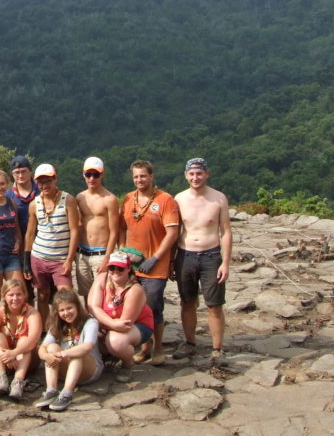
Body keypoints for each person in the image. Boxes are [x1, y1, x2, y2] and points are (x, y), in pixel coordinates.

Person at [118, 159, 180, 357]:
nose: (139, 180)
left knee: (153, 306)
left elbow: (172, 233)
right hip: (132, 265)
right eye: (136, 176)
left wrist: (156, 257)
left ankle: (158, 347)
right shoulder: (128, 199)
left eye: (143, 175)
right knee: (135, 306)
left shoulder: (165, 200)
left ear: (152, 176)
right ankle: (144, 347)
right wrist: (122, 251)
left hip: (156, 266)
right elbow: (121, 228)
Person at [173, 157, 232, 364]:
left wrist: (225, 262)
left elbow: (225, 231)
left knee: (214, 305)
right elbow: (174, 231)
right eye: (191, 174)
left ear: (207, 174)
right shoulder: (179, 199)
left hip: (211, 254)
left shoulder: (218, 199)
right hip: (185, 253)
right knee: (187, 302)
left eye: (199, 173)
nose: (195, 177)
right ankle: (189, 343)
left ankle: (217, 348)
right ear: (186, 175)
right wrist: (172, 261)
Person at [87, 250, 153, 383]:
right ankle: (109, 355)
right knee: (89, 334)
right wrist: (110, 324)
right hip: (110, 323)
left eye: (120, 268)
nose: (115, 271)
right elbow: (93, 307)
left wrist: (106, 326)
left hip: (138, 324)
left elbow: (124, 324)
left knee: (115, 341)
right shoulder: (102, 278)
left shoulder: (135, 289)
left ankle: (127, 364)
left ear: (128, 268)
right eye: (112, 267)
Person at [24, 163, 80, 312]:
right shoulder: (34, 204)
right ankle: (43, 329)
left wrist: (69, 260)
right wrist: (26, 261)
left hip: (60, 259)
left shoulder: (68, 200)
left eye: (48, 180)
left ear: (55, 179)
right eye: (41, 182)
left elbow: (75, 230)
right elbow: (30, 233)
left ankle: (70, 330)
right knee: (42, 295)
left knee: (66, 296)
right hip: (39, 257)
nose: (44, 185)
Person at [36, 289, 102, 411]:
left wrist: (62, 354)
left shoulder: (90, 322)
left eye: (69, 308)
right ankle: (51, 390)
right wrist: (47, 356)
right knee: (51, 347)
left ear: (77, 306)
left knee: (77, 352)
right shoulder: (57, 324)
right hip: (67, 369)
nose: (66, 313)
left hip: (89, 369)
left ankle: (67, 393)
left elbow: (88, 346)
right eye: (62, 310)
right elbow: (42, 348)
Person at [0, 277, 42, 401]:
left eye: (18, 294)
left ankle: (18, 381)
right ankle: (0, 378)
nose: (15, 299)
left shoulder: (32, 313)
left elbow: (33, 339)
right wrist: (5, 354)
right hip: (3, 359)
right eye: (11, 295)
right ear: (4, 296)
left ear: (24, 295)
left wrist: (14, 353)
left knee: (24, 340)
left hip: (26, 358)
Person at [74, 156, 120, 301]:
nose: (92, 178)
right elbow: (78, 225)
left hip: (101, 253)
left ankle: (103, 324)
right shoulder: (80, 197)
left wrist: (107, 258)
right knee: (87, 295)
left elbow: (114, 231)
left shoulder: (110, 199)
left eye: (96, 174)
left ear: (102, 174)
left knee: (104, 294)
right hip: (82, 252)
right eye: (88, 174)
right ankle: (89, 322)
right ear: (83, 174)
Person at [7, 155, 39, 295]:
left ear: (30, 171)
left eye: (23, 171)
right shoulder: (8, 195)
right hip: (20, 249)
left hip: (42, 246)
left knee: (46, 292)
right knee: (25, 292)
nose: (20, 175)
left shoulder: (41, 190)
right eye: (16, 172)